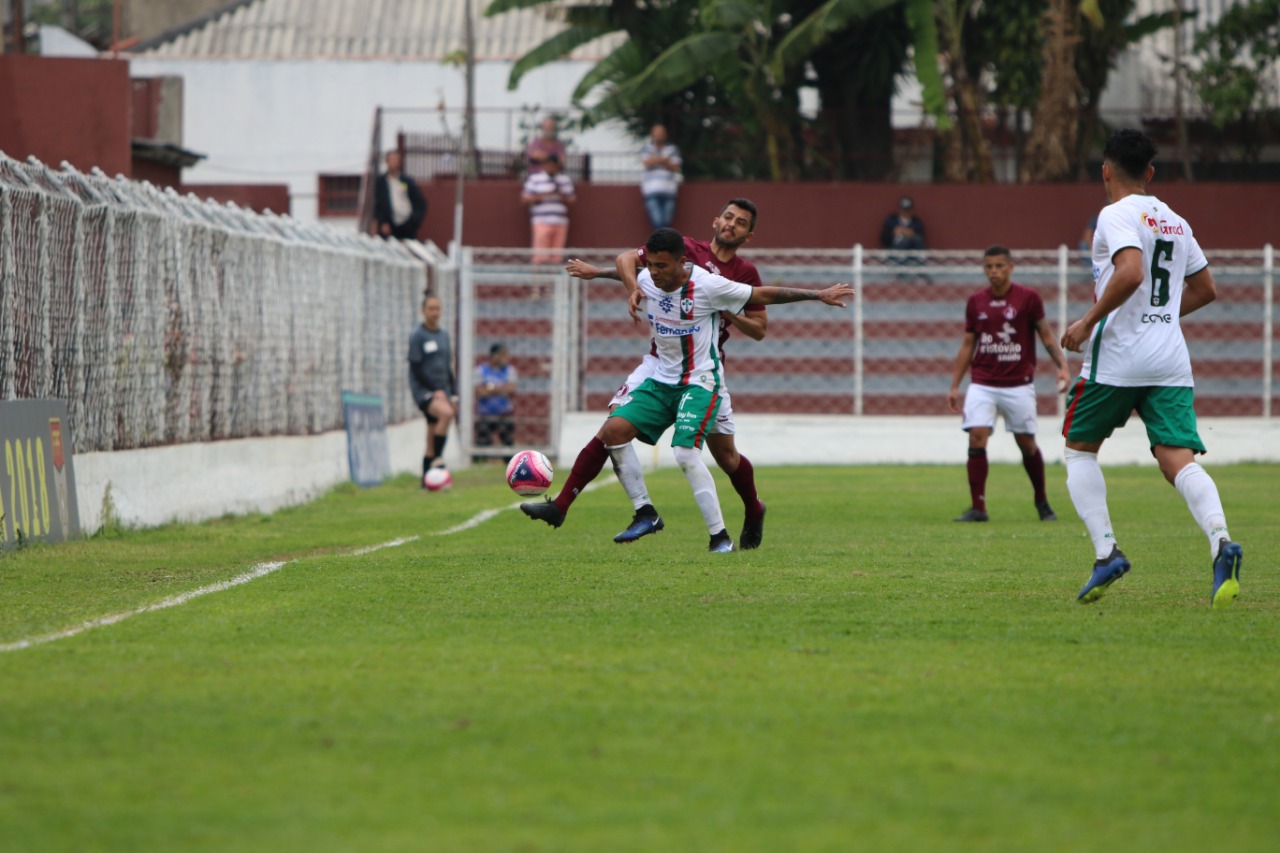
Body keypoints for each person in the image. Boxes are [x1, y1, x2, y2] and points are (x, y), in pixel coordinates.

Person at [522, 227, 853, 552]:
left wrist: (817, 294)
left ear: (682, 262)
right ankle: (641, 512)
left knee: (713, 455)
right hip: (661, 377)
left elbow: (762, 295)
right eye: (650, 265)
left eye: (661, 266)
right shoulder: (649, 279)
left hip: (701, 381)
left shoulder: (710, 284)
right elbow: (627, 266)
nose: (653, 272)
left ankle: (730, 528)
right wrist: (608, 277)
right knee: (613, 430)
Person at [1060, 128, 1242, 608]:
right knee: (1177, 459)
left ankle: (1106, 553)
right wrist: (1158, 317)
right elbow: (1206, 289)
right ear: (1151, 172)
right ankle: (1221, 541)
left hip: (1118, 358)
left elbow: (1132, 271)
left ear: (1105, 171)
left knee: (1079, 450)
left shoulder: (1114, 214)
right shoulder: (1175, 221)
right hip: (1169, 359)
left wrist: (1086, 322)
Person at [564, 199, 769, 549]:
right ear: (716, 220)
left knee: (726, 456)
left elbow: (760, 329)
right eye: (728, 217)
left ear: (748, 235)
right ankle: (610, 508)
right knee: (617, 426)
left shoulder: (744, 273)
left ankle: (753, 507)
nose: (731, 224)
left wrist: (727, 310)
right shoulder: (685, 248)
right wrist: (601, 274)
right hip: (661, 364)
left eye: (741, 222)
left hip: (705, 369)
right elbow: (645, 270)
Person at [947, 246, 1072, 522]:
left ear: (1011, 267)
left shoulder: (1028, 298)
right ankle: (978, 508)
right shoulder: (976, 302)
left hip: (1018, 384)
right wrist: (955, 385)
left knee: (1026, 444)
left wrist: (1062, 366)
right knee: (976, 435)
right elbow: (968, 343)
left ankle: (1041, 501)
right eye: (988, 266)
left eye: (999, 266)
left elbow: (1046, 334)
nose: (993, 271)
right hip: (983, 382)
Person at [407, 294, 457, 481]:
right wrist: (435, 390)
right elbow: (416, 367)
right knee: (446, 414)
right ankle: (438, 459)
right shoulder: (418, 336)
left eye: (438, 308)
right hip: (425, 390)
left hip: (443, 391)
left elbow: (447, 366)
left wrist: (454, 393)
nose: (435, 313)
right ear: (423, 311)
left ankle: (427, 479)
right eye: (431, 309)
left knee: (432, 433)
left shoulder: (444, 336)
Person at [521, 153, 576, 264]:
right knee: (540, 255)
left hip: (560, 221)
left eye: (554, 166)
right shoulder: (535, 179)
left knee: (556, 256)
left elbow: (572, 200)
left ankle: (554, 274)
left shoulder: (564, 180)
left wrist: (560, 193)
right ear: (545, 165)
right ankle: (539, 274)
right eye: (550, 165)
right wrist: (545, 194)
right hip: (541, 221)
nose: (552, 168)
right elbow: (525, 199)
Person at [474, 343, 518, 460]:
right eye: (504, 355)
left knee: (508, 446)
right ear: (495, 356)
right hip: (485, 413)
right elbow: (479, 392)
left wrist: (490, 387)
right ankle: (480, 463)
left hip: (504, 413)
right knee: (482, 445)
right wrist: (500, 388)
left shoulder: (509, 370)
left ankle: (509, 464)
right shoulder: (481, 370)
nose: (506, 358)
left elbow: (511, 389)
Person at [373, 150, 426, 240]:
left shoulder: (407, 181)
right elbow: (377, 205)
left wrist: (414, 221)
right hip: (389, 226)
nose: (394, 163)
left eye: (396, 160)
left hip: (407, 225)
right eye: (392, 160)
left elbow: (420, 202)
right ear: (386, 162)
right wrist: (383, 222)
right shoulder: (381, 182)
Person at [639, 123, 682, 229]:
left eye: (661, 132)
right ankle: (660, 239)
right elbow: (647, 163)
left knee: (667, 222)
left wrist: (657, 160)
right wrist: (664, 160)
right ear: (652, 134)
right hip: (651, 190)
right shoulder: (646, 148)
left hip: (669, 191)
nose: (659, 135)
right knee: (658, 221)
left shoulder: (672, 149)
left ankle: (662, 239)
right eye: (657, 132)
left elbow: (676, 167)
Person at [880, 195, 927, 280]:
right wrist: (894, 232)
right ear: (899, 210)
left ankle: (919, 271)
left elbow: (920, 239)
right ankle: (898, 263)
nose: (905, 213)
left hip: (911, 255)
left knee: (911, 239)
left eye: (907, 210)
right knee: (903, 241)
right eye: (903, 210)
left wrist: (910, 233)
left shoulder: (916, 222)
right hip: (895, 252)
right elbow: (884, 238)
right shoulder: (891, 220)